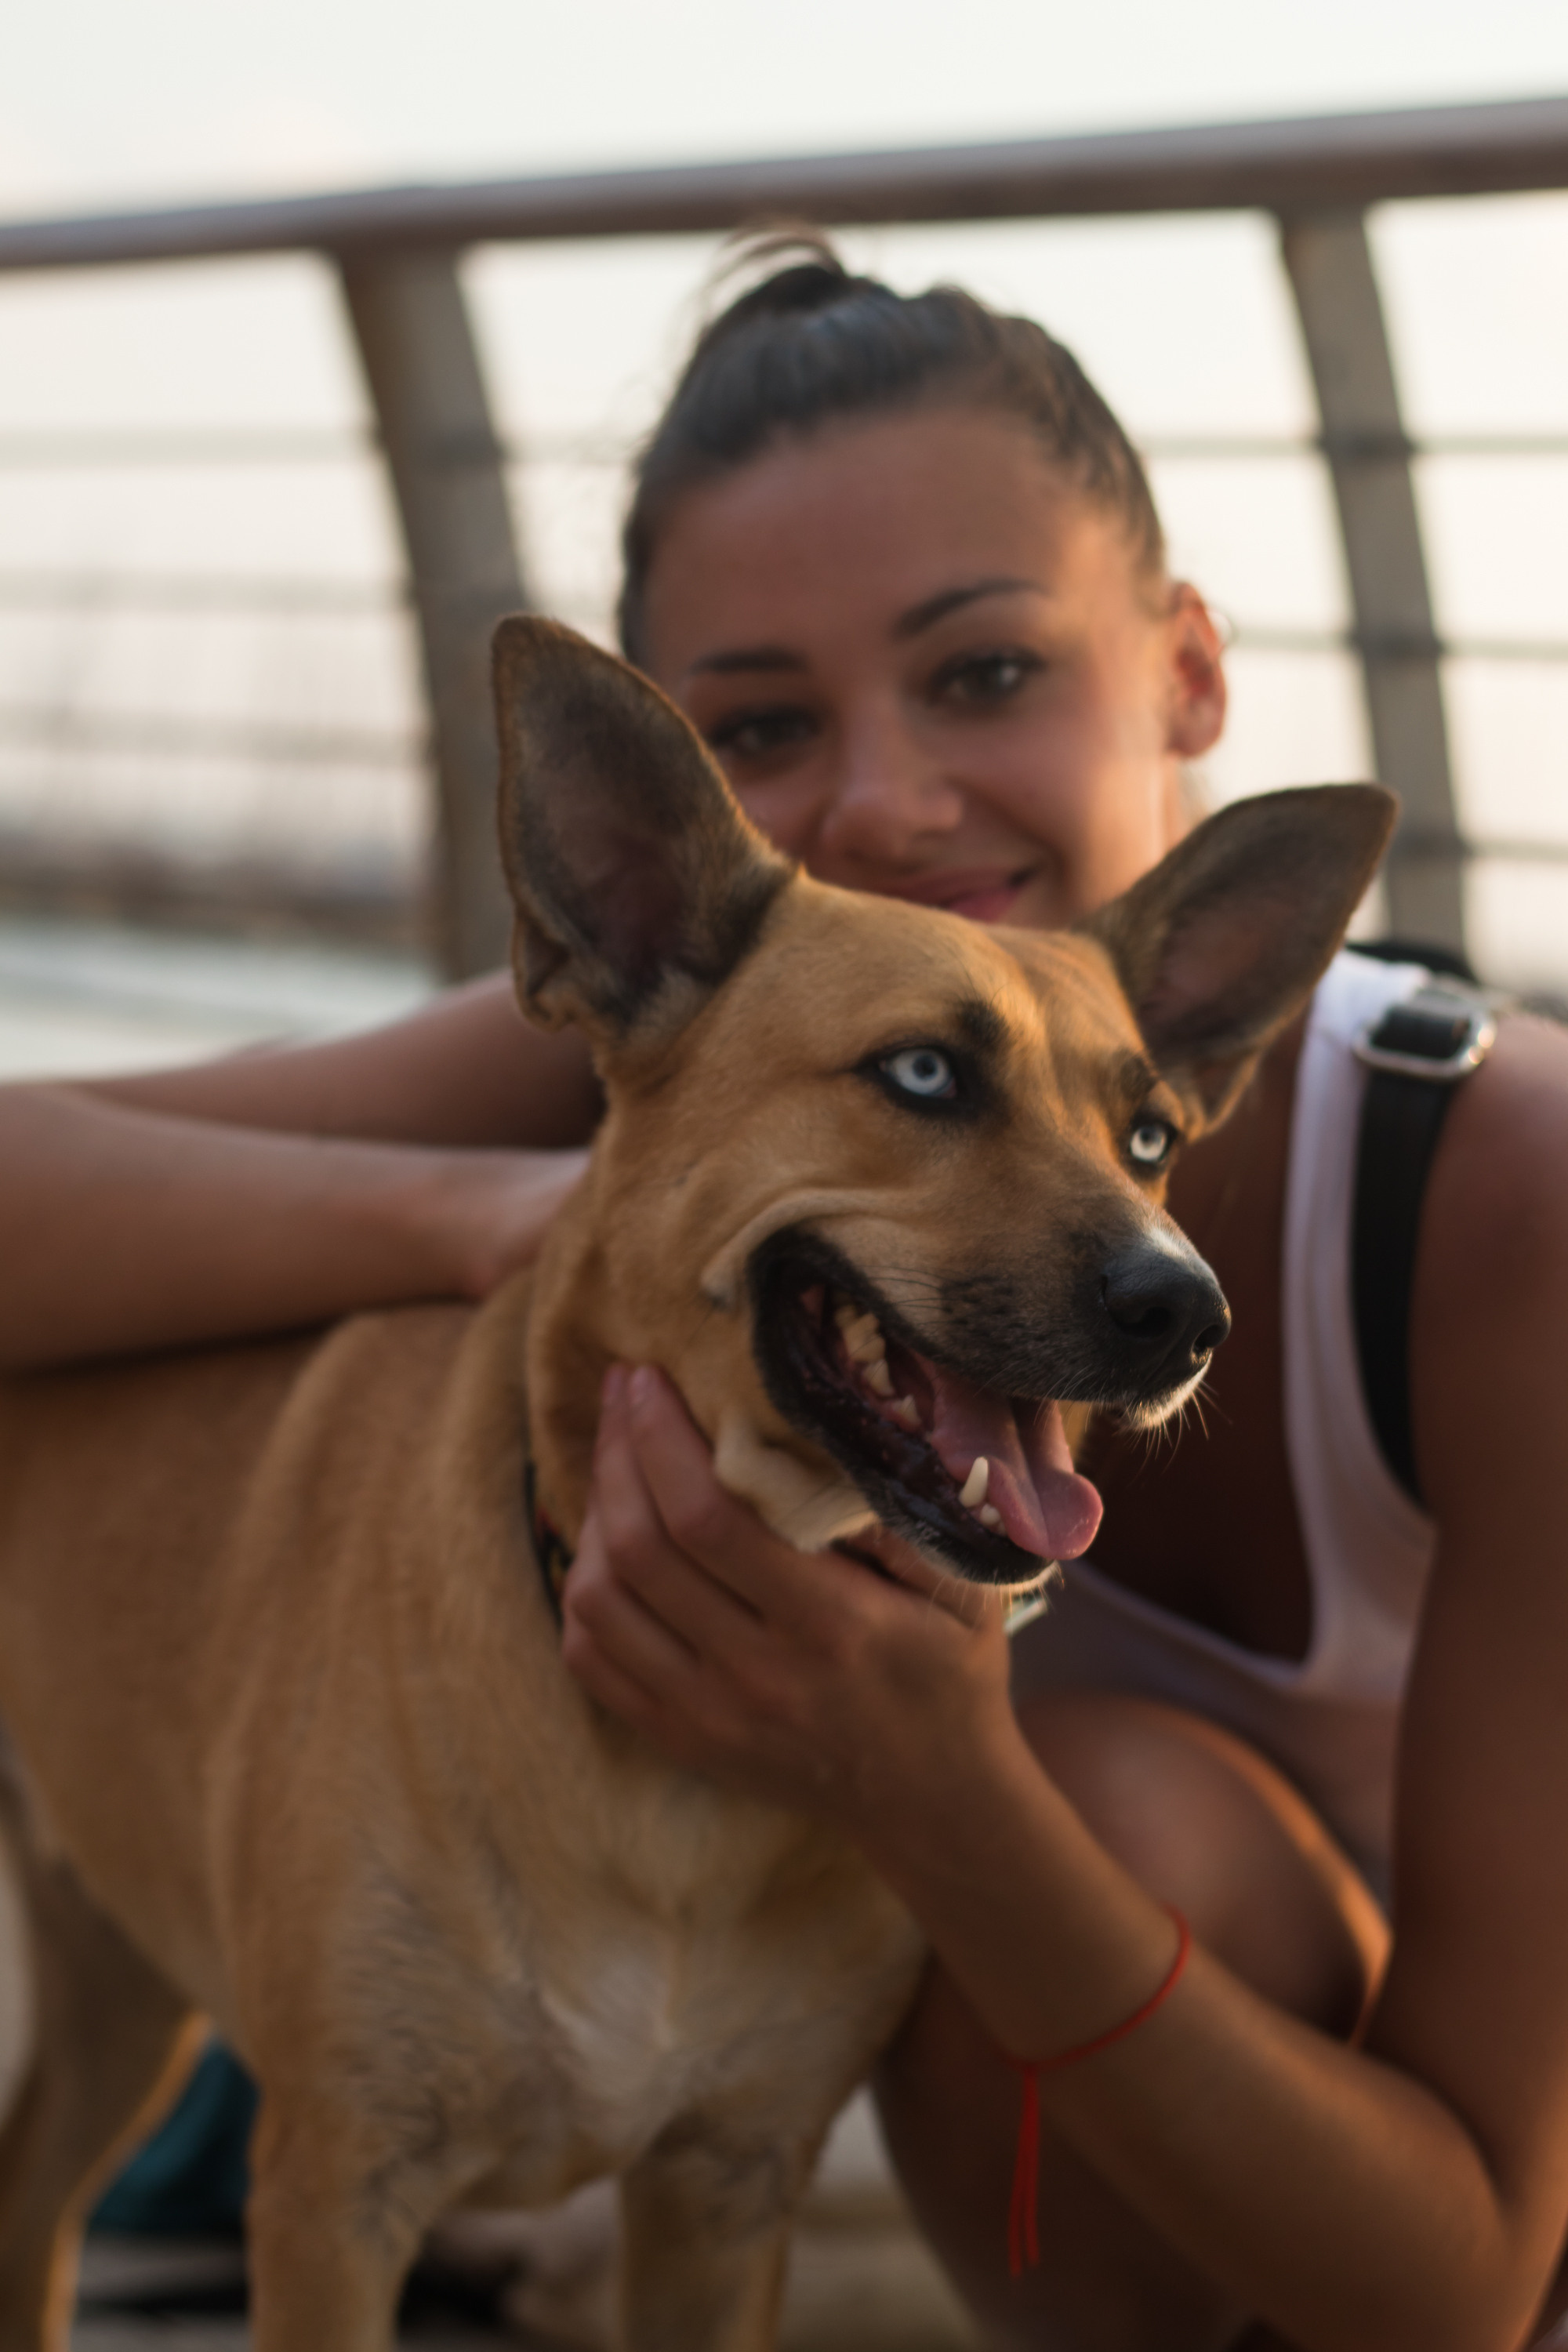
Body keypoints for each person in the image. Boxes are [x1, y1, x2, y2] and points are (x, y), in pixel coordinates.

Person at [6, 236, 1568, 2352]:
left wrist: (925, 1778)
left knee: (1100, 1823)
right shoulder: (713, 1024)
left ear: (1191, 673)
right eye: (759, 724)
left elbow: (1469, 2287)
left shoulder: (1516, 1205)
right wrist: (487, 1224)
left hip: (1461, 2213)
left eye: (988, 672)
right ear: (645, 857)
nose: (891, 806)